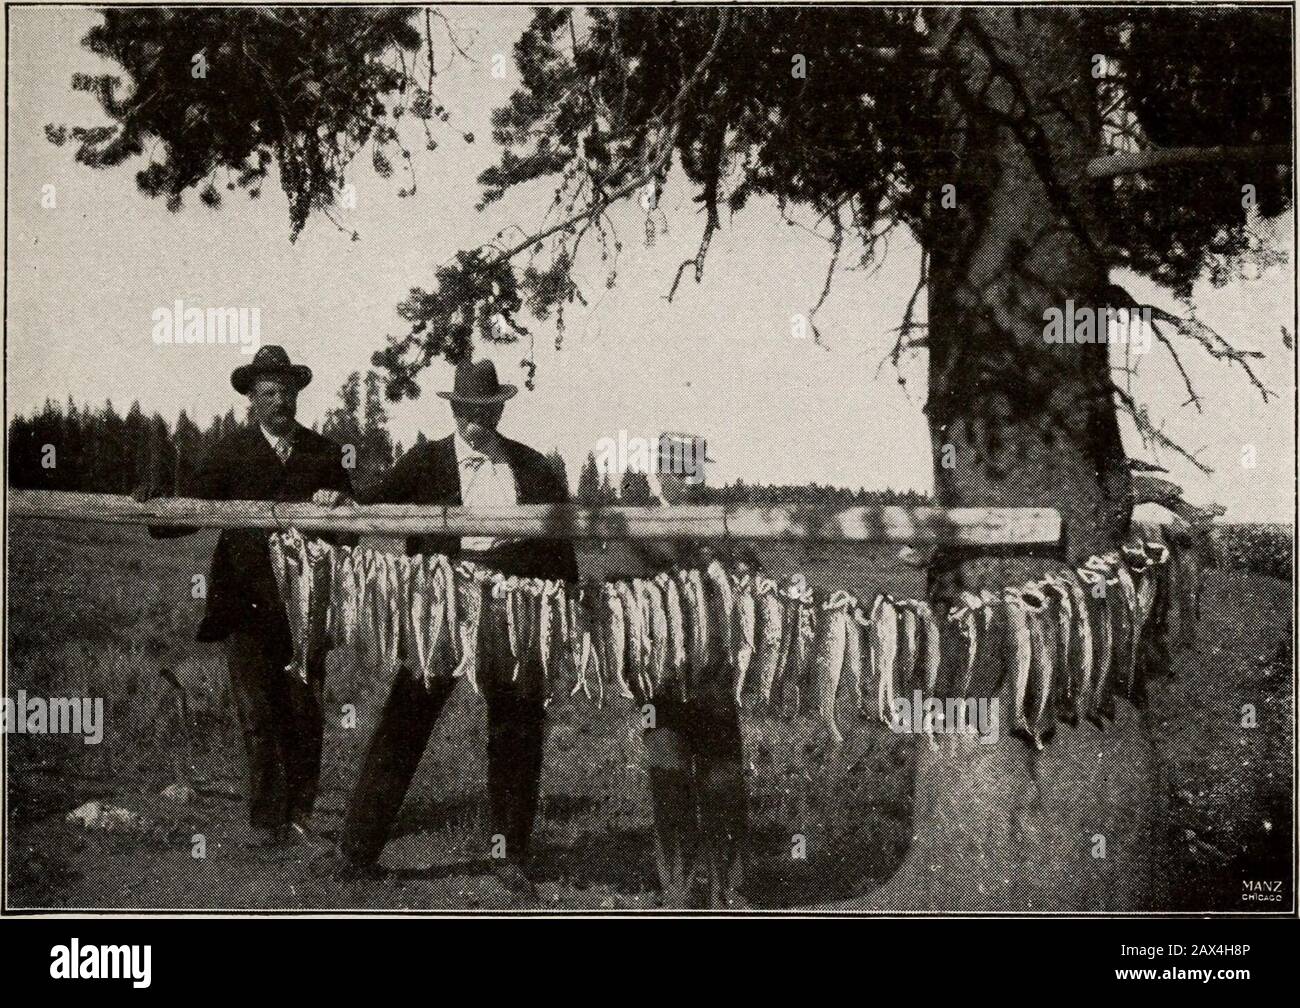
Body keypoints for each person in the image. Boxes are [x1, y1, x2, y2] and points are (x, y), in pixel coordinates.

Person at [317, 359, 577, 892]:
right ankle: (356, 852)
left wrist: (563, 610)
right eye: (466, 408)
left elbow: (560, 549)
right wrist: (339, 503)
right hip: (439, 609)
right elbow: (371, 506)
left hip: (514, 614)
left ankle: (510, 858)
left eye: (486, 408)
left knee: (516, 729)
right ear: (454, 407)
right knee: (406, 720)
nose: (476, 417)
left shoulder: (534, 467)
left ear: (501, 407)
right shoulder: (425, 462)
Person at [134, 345, 353, 847]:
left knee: (304, 710)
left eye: (287, 392)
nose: (280, 401)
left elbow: (352, 529)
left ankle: (302, 812)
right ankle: (267, 821)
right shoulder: (231, 452)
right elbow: (189, 512)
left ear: (298, 395)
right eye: (268, 393)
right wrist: (155, 506)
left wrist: (337, 505)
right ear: (251, 400)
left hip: (306, 609)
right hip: (244, 607)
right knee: (257, 714)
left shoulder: (324, 454)